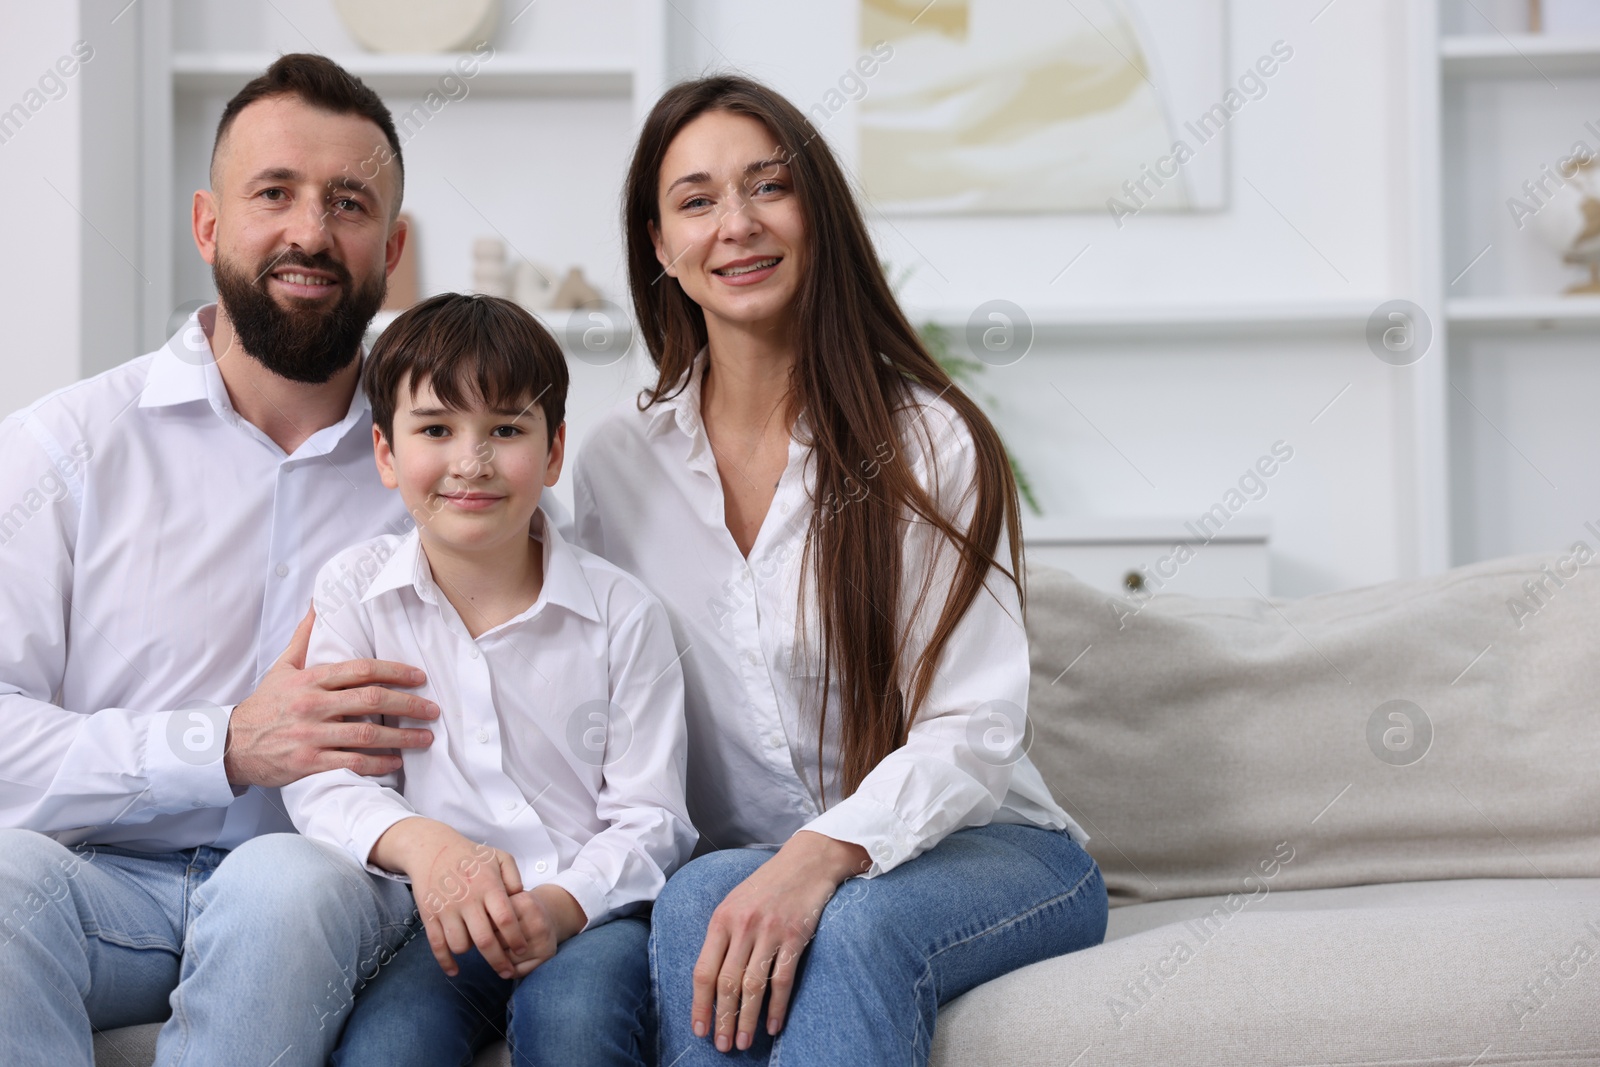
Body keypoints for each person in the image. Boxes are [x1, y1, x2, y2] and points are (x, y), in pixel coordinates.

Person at [574, 75, 1110, 1065]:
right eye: (696, 200)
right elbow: (592, 694)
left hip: (988, 850)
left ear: (816, 213)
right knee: (702, 893)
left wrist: (818, 859)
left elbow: (972, 728)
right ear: (659, 246)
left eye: (767, 187)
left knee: (856, 924)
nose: (735, 224)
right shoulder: (614, 464)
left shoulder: (928, 442)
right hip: (746, 857)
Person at [0, 55, 480, 1064]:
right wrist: (221, 743)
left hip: (329, 886)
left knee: (281, 879)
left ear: (392, 250)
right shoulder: (66, 446)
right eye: (276, 193)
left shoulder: (455, 463)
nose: (310, 230)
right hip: (100, 883)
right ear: (208, 223)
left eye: (348, 203)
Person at [280, 292, 695, 1066]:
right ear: (385, 452)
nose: (471, 461)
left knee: (575, 1028)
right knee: (385, 1050)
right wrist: (424, 847)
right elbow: (324, 779)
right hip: (435, 922)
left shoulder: (623, 613)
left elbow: (653, 817)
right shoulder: (354, 590)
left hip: (588, 916)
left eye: (505, 429)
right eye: (436, 429)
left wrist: (561, 905)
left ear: (553, 450)